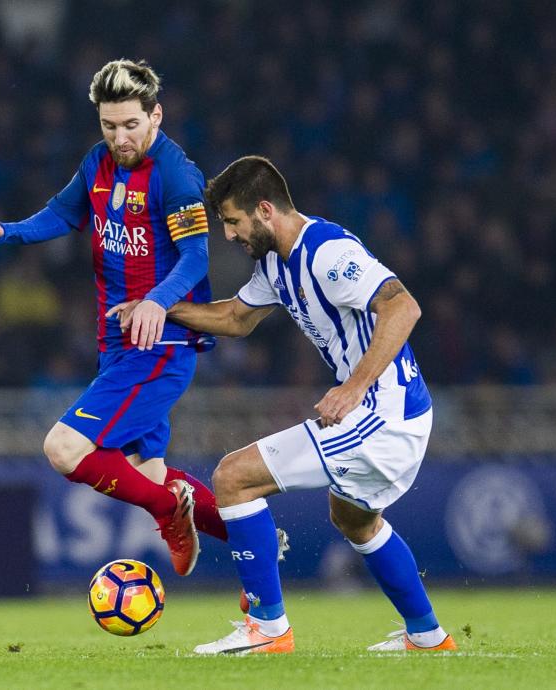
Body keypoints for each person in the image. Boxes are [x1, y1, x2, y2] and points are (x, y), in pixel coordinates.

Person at [111, 155, 457, 654]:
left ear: (265, 210)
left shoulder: (327, 252)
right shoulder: (276, 263)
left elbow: (404, 306)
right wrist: (160, 307)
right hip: (392, 411)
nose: (228, 235)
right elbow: (234, 317)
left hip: (384, 412)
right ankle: (427, 637)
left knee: (233, 477)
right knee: (355, 520)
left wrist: (355, 386)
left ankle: (268, 630)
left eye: (232, 221)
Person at [0, 59, 228, 576]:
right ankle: (255, 543)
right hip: (117, 341)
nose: (120, 137)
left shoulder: (176, 175)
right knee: (144, 469)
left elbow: (195, 258)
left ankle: (168, 511)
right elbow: (63, 215)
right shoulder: (97, 164)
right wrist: (7, 231)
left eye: (131, 124)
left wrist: (156, 301)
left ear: (156, 116)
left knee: (63, 448)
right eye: (109, 125)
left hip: (159, 342)